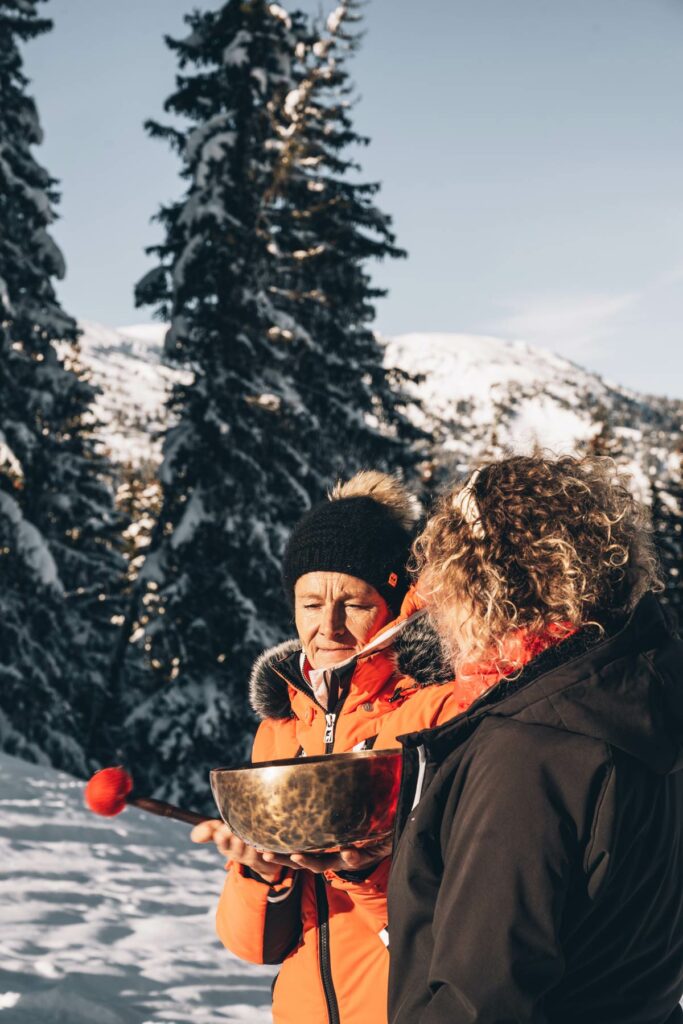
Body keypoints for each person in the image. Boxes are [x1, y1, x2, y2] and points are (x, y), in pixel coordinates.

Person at [387, 453, 683, 1024]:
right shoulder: (640, 705)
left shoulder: (530, 753)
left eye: (443, 583)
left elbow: (479, 1003)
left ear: (486, 585)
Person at [192, 471, 459, 1024]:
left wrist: (367, 874)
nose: (328, 626)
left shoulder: (438, 715)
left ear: (398, 602)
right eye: (311, 603)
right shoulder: (285, 724)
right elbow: (255, 949)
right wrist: (261, 875)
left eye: (354, 603)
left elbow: (461, 934)